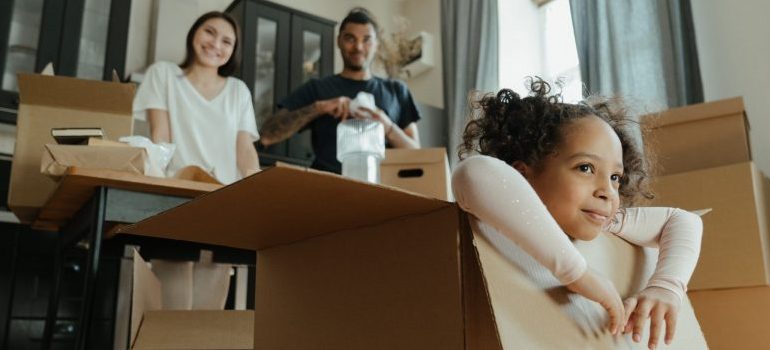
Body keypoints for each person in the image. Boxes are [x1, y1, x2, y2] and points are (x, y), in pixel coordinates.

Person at [451, 79, 702, 349]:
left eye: (616, 177)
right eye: (585, 168)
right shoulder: (493, 206)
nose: (607, 191)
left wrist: (666, 287)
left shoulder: (604, 220)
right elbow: (473, 173)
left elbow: (684, 220)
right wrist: (578, 274)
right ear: (522, 174)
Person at [259, 7, 421, 173]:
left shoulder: (397, 91)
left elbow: (418, 158)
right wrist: (319, 108)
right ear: (339, 41)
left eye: (366, 40)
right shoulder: (317, 88)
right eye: (350, 39)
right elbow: (267, 136)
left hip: (381, 190)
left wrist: (386, 126)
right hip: (326, 189)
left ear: (376, 44)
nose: (358, 47)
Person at [134, 11, 260, 185]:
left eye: (226, 41)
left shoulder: (238, 91)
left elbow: (245, 149)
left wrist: (259, 189)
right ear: (194, 32)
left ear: (233, 50)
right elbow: (160, 136)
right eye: (209, 32)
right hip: (177, 188)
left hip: (225, 194)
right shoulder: (163, 74)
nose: (215, 44)